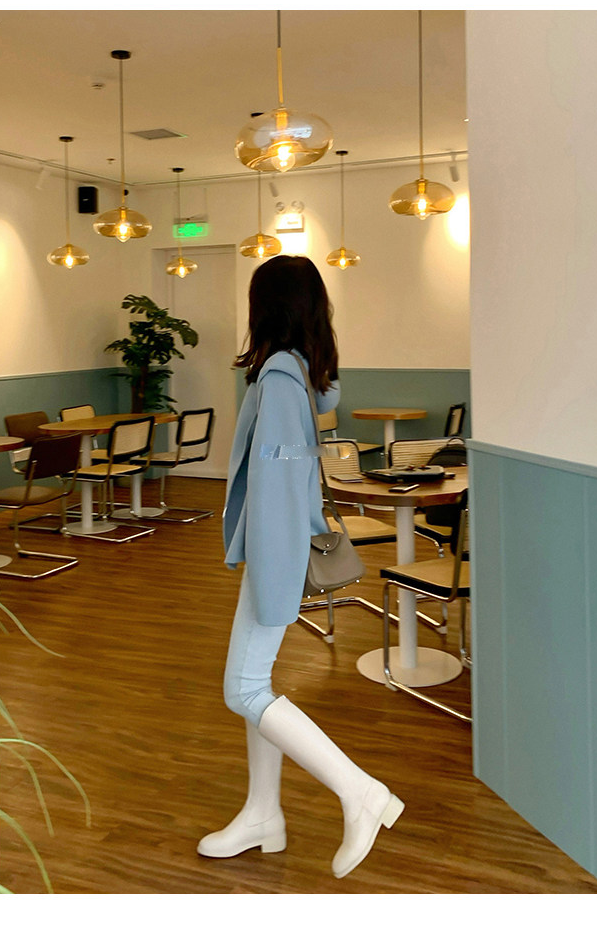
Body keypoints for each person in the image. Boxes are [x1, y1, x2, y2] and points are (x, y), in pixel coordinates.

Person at [197, 255, 403, 879]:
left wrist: (271, 572)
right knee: (255, 683)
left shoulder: (282, 380)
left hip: (276, 553)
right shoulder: (291, 373)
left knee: (243, 689)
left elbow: (281, 489)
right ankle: (263, 813)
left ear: (268, 309)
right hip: (272, 550)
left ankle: (360, 791)